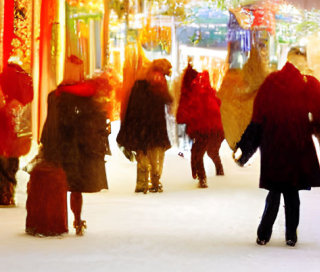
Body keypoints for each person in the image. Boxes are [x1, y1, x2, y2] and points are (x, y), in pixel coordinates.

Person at [235, 47, 320, 247]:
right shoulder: (307, 84)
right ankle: (291, 234)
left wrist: (245, 148)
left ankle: (263, 233)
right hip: (297, 144)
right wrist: (311, 129)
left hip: (273, 144)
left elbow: (257, 119)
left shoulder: (270, 83)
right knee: (292, 192)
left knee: (275, 190)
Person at [37, 56, 111, 235]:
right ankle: (77, 220)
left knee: (60, 184)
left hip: (62, 146)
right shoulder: (87, 94)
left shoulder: (56, 96)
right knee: (76, 187)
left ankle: (59, 220)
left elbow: (51, 123)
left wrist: (47, 143)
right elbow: (96, 120)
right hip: (80, 147)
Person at [117, 57, 173, 193]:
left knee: (142, 152)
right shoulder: (159, 81)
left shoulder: (138, 84)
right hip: (155, 123)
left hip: (140, 123)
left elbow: (132, 105)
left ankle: (142, 183)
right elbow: (167, 99)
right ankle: (155, 181)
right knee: (156, 153)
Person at [177, 70, 225, 188]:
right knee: (210, 152)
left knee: (197, 154)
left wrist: (185, 122)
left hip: (204, 130)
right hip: (215, 130)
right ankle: (217, 172)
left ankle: (201, 177)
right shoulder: (211, 93)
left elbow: (191, 112)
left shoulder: (196, 94)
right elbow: (218, 106)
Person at [0, 56, 33, 207]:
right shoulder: (22, 77)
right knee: (12, 163)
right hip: (15, 130)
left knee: (4, 164)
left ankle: (5, 194)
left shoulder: (5, 76)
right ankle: (9, 193)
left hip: (5, 131)